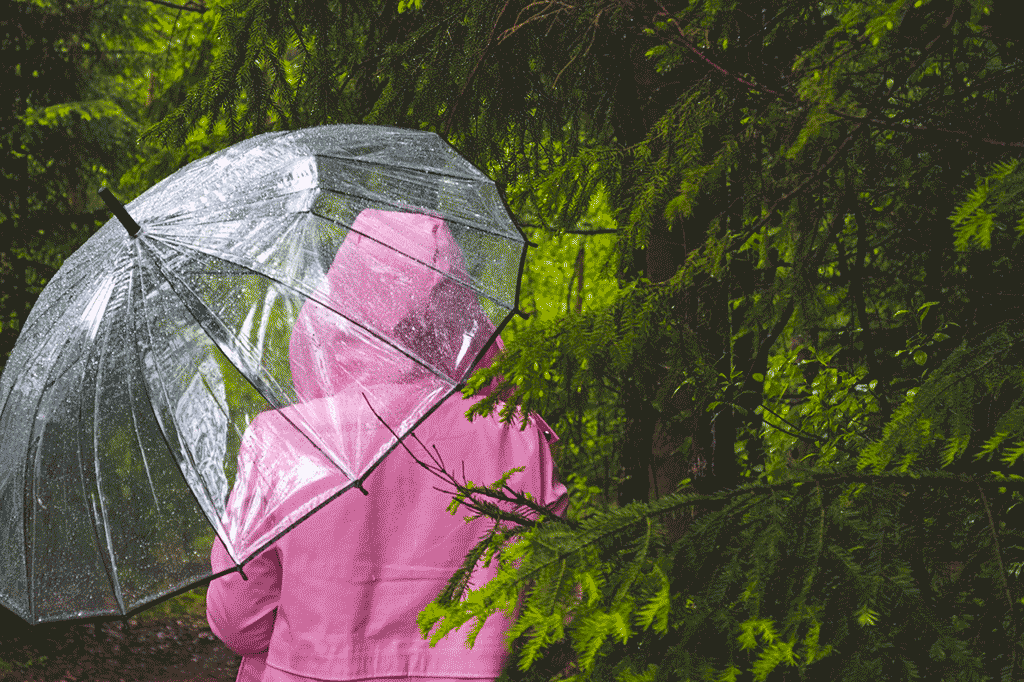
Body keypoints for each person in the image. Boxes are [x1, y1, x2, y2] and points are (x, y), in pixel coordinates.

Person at [206, 209, 568, 682]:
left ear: (344, 300)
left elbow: (238, 622)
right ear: (458, 307)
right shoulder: (514, 434)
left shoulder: (284, 442)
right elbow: (552, 604)